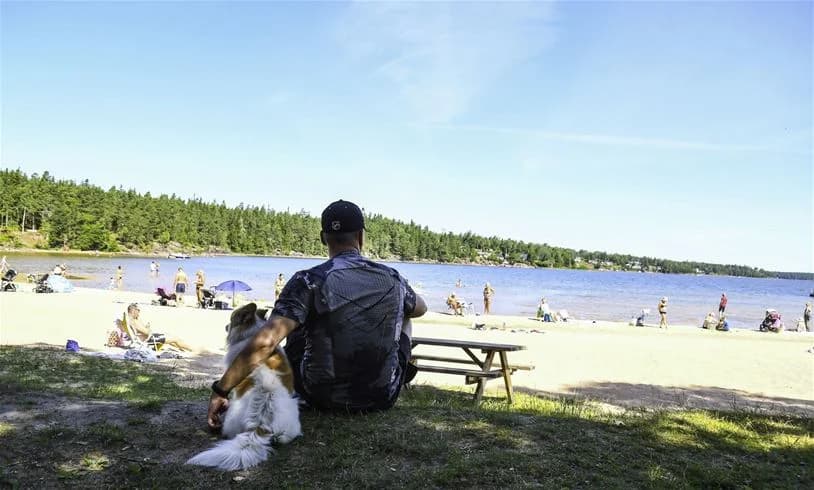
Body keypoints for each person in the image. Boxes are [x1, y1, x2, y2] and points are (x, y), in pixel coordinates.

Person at [207, 199, 427, 426]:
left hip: (319, 396)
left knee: (295, 321)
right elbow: (421, 308)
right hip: (381, 397)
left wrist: (221, 389)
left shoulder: (308, 280)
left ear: (323, 238)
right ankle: (395, 372)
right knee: (407, 315)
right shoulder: (392, 278)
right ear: (361, 237)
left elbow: (266, 342)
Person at [125, 303, 192, 351]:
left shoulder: (132, 320)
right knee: (176, 339)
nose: (139, 312)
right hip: (150, 339)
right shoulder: (134, 322)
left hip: (148, 337)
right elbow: (147, 333)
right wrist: (148, 328)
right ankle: (192, 349)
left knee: (170, 338)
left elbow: (142, 330)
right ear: (133, 311)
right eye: (138, 310)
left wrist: (140, 320)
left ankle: (184, 348)